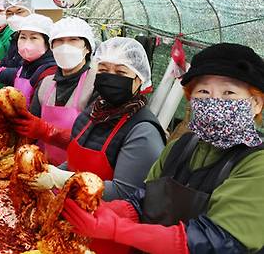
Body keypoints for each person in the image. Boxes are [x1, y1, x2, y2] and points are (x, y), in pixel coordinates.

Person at [61, 43, 264, 254]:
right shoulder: (180, 147)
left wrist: (116, 228)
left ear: (256, 103)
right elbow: (146, 200)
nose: (214, 101)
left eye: (229, 92)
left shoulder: (256, 163)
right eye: (203, 91)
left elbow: (217, 242)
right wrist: (104, 210)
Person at [23, 37, 166, 201]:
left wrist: (63, 180)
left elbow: (125, 193)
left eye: (120, 72)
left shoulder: (143, 131)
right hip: (71, 210)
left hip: (101, 220)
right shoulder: (94, 112)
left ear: (139, 79)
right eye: (103, 70)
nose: (110, 77)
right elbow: (74, 161)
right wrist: (52, 172)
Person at [27, 17, 97, 164]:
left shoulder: (96, 84)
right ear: (51, 47)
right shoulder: (46, 83)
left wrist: (48, 131)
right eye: (59, 41)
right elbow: (31, 126)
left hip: (79, 175)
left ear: (87, 47)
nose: (65, 47)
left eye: (73, 40)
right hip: (43, 169)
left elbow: (93, 139)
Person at [0, 0, 36, 68]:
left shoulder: (37, 37)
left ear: (31, 11)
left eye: (19, 12)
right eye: (9, 13)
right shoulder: (15, 36)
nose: (14, 17)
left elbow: (23, 71)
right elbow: (7, 63)